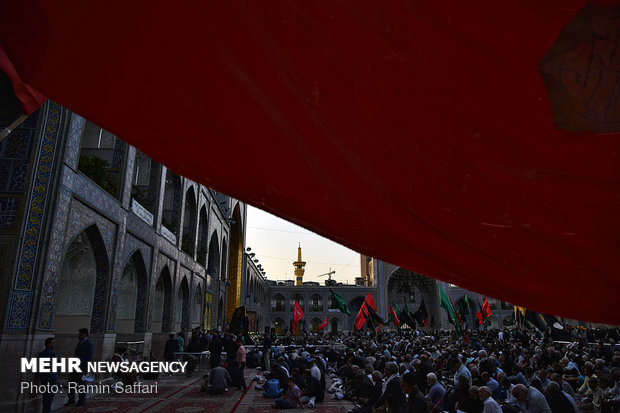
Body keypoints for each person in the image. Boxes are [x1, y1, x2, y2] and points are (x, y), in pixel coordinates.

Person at [66, 328, 93, 407]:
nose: (79, 336)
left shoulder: (88, 344)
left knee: (82, 385)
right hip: (75, 367)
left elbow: (89, 357)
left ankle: (81, 401)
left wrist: (87, 369)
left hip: (83, 368)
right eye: (79, 334)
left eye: (81, 334)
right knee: (71, 383)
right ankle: (71, 400)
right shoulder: (79, 343)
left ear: (85, 335)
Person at [37, 337, 58, 413]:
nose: (55, 344)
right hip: (51, 378)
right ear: (49, 344)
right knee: (49, 399)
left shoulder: (41, 354)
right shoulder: (52, 353)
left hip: (44, 378)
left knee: (45, 398)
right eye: (53, 343)